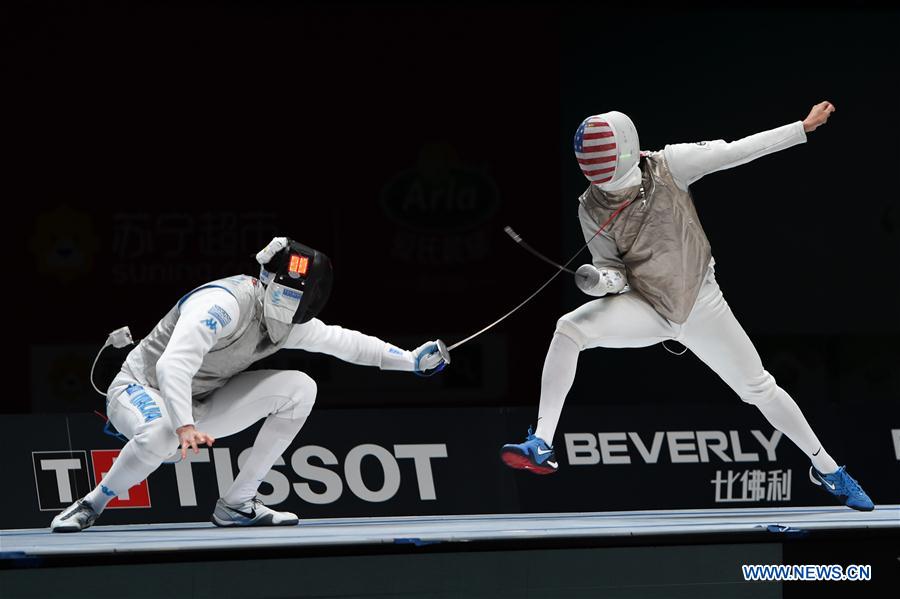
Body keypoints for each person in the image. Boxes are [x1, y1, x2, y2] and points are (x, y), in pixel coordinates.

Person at [500, 102, 874, 511]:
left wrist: (799, 128)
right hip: (647, 306)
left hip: (700, 304)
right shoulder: (589, 205)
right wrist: (601, 281)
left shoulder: (670, 165)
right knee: (569, 329)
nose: (609, 190)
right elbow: (614, 270)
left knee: (760, 389)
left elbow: (736, 151)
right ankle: (543, 442)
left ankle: (827, 468)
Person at [51, 237, 447, 532]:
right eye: (294, 297)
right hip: (140, 388)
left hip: (201, 404)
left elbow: (346, 342)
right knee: (161, 433)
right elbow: (173, 364)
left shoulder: (286, 322)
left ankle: (237, 504)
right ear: (272, 283)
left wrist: (410, 360)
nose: (297, 311)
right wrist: (184, 426)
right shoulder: (223, 304)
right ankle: (92, 504)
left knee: (300, 389)